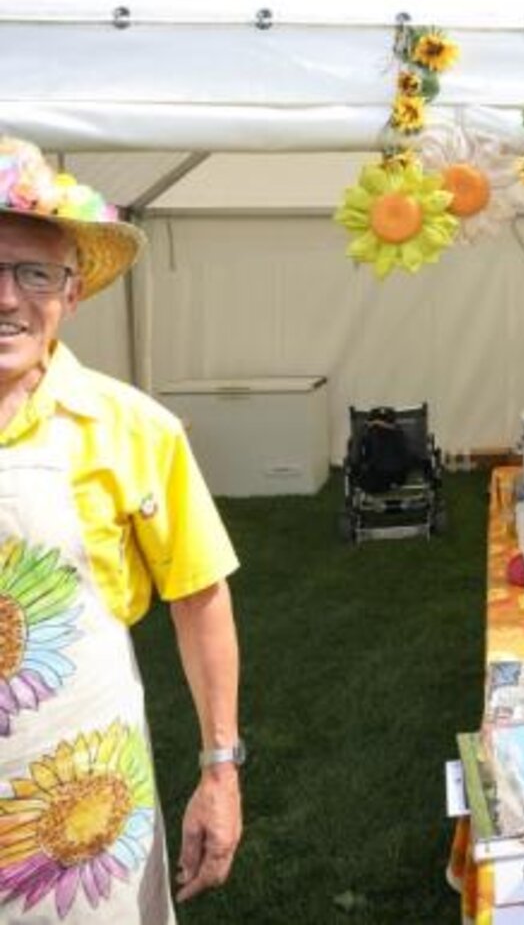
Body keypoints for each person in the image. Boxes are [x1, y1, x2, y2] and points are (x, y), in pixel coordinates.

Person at [0, 136, 242, 922]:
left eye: (34, 272)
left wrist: (219, 771)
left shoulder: (136, 429)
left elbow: (199, 600)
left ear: (72, 295)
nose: (7, 297)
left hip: (83, 815)